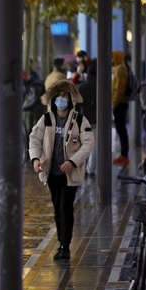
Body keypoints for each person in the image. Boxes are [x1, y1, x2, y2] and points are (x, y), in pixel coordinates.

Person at [28, 79, 94, 260]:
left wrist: (72, 162)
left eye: (65, 95)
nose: (61, 99)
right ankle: (61, 242)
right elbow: (34, 138)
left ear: (71, 98)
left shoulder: (79, 120)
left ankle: (65, 245)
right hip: (52, 172)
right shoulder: (47, 118)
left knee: (66, 206)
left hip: (70, 174)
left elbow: (88, 144)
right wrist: (35, 159)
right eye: (59, 96)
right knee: (57, 208)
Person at [77, 62, 97, 177]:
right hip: (97, 119)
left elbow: (77, 103)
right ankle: (91, 169)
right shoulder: (101, 85)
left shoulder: (82, 87)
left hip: (85, 118)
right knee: (94, 146)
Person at [111, 50, 130, 165]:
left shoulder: (121, 71)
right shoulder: (118, 69)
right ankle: (123, 154)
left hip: (120, 104)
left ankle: (124, 155)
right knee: (120, 129)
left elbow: (119, 90)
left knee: (121, 129)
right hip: (119, 103)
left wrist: (113, 103)